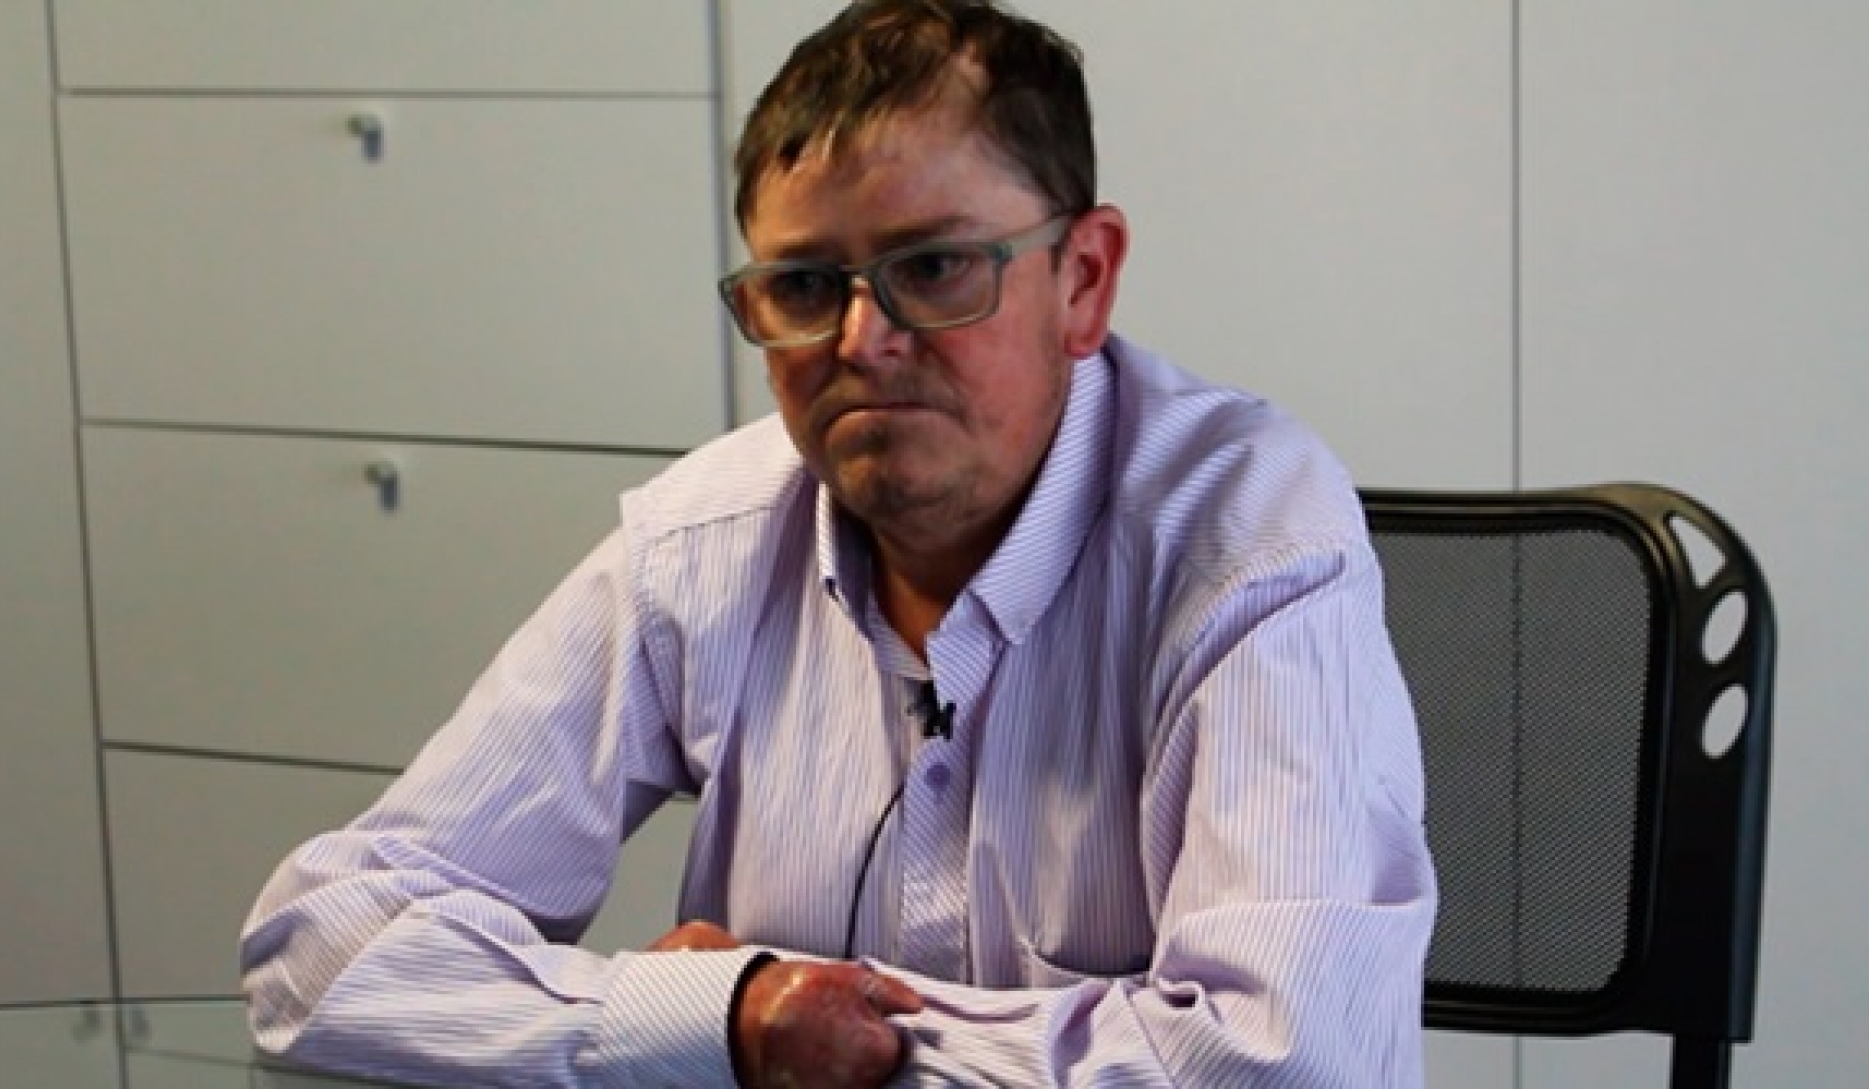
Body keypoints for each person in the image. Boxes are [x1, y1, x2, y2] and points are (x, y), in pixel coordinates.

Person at [241, 1, 1436, 1085]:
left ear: (1083, 279)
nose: (863, 340)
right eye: (806, 286)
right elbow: (322, 950)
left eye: (935, 267)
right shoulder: (702, 542)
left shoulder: (1251, 542)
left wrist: (770, 1038)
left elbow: (1286, 1063)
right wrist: (736, 1016)